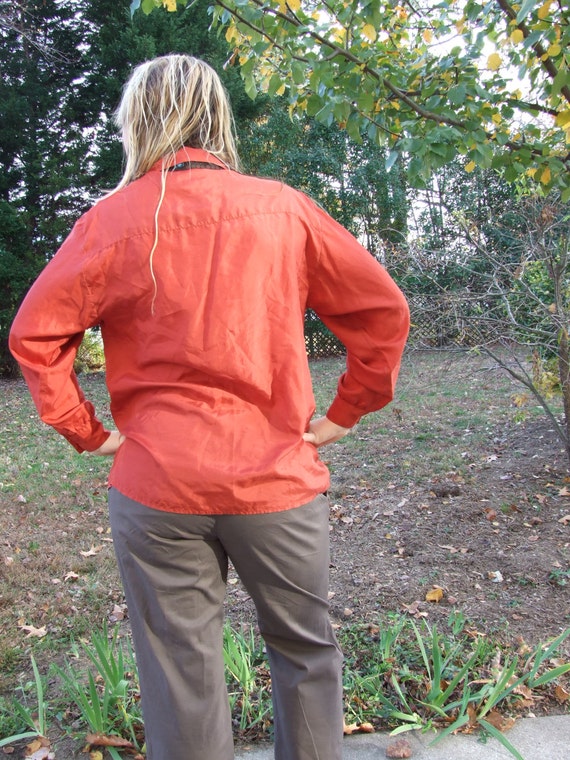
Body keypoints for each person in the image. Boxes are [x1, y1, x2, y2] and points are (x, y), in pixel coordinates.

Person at [9, 55, 409, 760]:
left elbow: (35, 334)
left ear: (138, 123)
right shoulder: (281, 208)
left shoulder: (110, 220)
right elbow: (382, 310)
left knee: (181, 673)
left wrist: (88, 432)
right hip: (276, 479)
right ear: (215, 117)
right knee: (305, 653)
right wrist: (347, 411)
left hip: (158, 483)